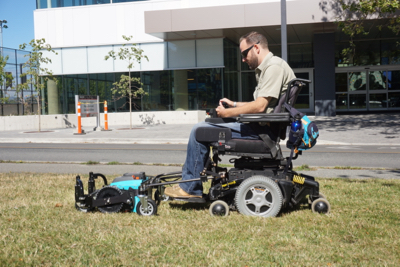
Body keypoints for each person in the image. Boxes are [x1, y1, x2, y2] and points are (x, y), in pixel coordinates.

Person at [165, 31, 296, 198]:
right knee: (208, 122)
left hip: (261, 134)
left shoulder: (273, 67)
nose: (243, 59)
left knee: (198, 131)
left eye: (244, 53)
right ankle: (193, 181)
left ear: (255, 47)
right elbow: (259, 105)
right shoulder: (270, 67)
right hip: (260, 128)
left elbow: (260, 107)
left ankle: (190, 188)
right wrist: (233, 104)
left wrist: (227, 112)